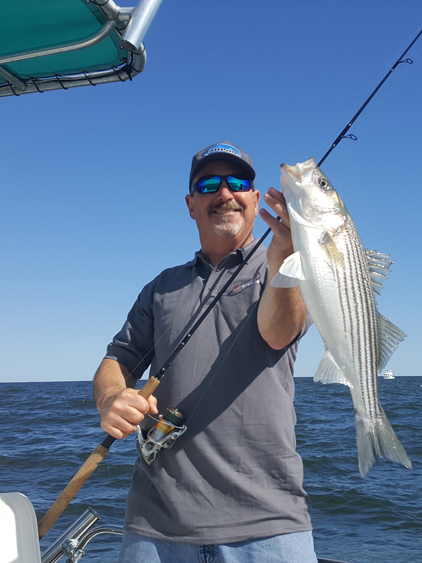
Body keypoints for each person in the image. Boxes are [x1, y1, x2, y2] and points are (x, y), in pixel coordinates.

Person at [93, 141, 317, 562]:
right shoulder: (160, 287)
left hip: (269, 525)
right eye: (209, 184)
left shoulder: (287, 267)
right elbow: (119, 359)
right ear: (191, 204)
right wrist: (110, 397)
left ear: (255, 198)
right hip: (154, 527)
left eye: (238, 183)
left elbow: (278, 333)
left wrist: (285, 260)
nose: (225, 193)